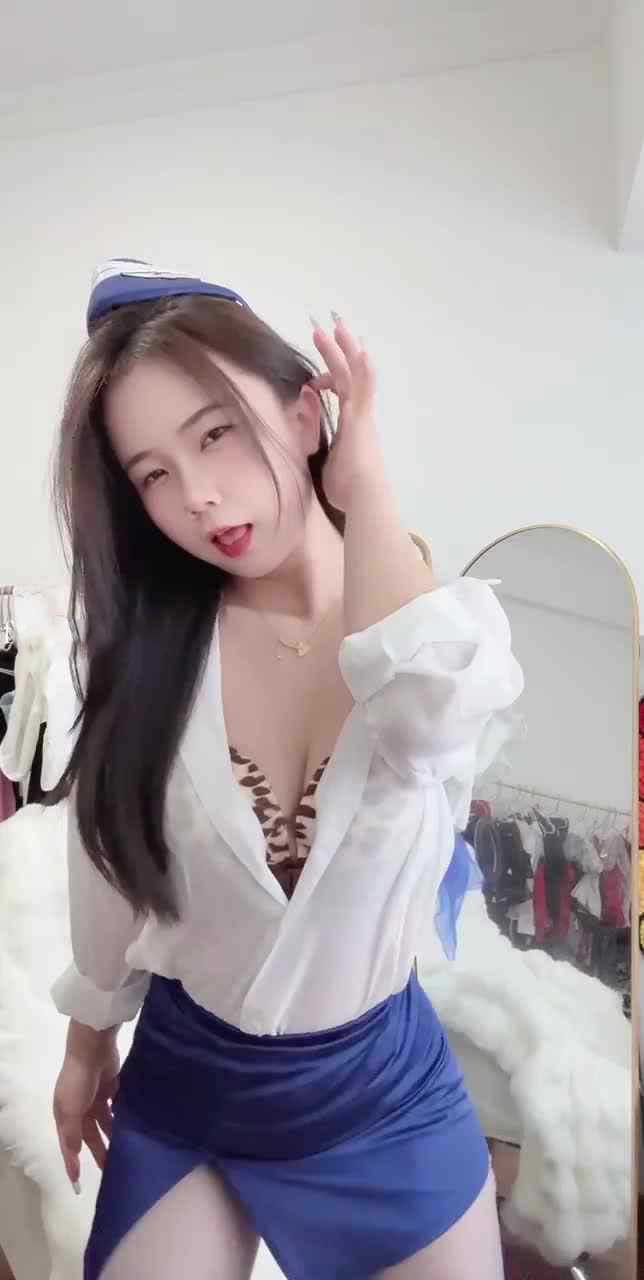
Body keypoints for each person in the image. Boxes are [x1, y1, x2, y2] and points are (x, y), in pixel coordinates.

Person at [49, 258, 524, 1280]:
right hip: (188, 1082)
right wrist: (87, 1043)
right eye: (151, 475)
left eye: (215, 434)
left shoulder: (443, 630)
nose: (197, 496)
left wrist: (364, 486)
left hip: (375, 1095)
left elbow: (426, 713)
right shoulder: (145, 653)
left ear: (308, 412)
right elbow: (106, 863)